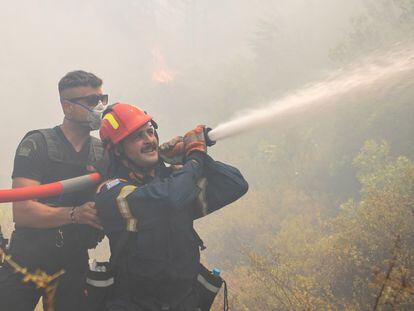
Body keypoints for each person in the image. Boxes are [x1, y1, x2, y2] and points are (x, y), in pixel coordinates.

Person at [96, 103, 248, 311]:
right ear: (118, 151)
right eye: (137, 136)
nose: (149, 140)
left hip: (184, 302)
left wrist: (191, 155)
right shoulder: (113, 193)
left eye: (150, 132)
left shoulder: (173, 181)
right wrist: (195, 158)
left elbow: (234, 184)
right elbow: (168, 201)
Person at [0, 70, 108, 311]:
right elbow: (23, 212)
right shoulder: (37, 143)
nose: (100, 106)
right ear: (67, 107)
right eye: (91, 101)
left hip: (73, 264)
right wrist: (75, 214)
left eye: (102, 99)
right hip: (26, 261)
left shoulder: (104, 152)